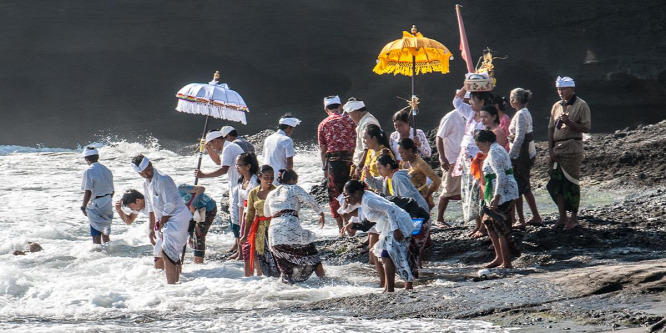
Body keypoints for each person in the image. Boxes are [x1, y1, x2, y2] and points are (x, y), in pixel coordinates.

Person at [342, 180, 417, 292]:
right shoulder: (364, 198)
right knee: (388, 255)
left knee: (391, 254)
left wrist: (396, 229)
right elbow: (348, 211)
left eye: (348, 195)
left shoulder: (368, 200)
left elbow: (390, 209)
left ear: (357, 192)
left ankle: (392, 288)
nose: (348, 199)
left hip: (397, 223)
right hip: (390, 225)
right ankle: (391, 287)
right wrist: (353, 224)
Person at [131, 155, 192, 284]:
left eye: (148, 169)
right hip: (164, 221)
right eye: (142, 173)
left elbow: (170, 205)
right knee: (167, 253)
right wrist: (151, 229)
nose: (146, 173)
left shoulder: (163, 179)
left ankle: (172, 286)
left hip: (177, 218)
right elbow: (151, 208)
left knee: (168, 253)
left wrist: (161, 222)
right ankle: (176, 284)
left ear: (151, 164)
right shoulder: (146, 183)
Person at [265, 169, 326, 284]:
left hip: (274, 233)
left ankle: (286, 289)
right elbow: (309, 200)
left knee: (284, 266)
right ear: (293, 180)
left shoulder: (271, 193)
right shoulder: (293, 188)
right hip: (290, 227)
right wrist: (320, 212)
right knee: (312, 253)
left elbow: (267, 213)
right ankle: (324, 280)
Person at [547, 76, 591, 231]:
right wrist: (550, 149)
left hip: (572, 147)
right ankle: (562, 216)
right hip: (557, 148)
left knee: (571, 182)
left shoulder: (581, 105)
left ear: (572, 89)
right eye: (559, 89)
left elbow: (585, 128)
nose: (561, 92)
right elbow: (551, 128)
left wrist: (568, 122)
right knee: (556, 183)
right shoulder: (556, 106)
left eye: (564, 89)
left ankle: (573, 217)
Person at [474, 130, 520, 269]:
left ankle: (506, 262)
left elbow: (501, 175)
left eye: (479, 144)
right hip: (495, 190)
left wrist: (497, 196)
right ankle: (499, 257)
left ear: (486, 142)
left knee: (500, 226)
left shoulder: (495, 152)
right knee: (488, 222)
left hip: (504, 193)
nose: (479, 147)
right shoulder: (494, 150)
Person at [195, 129, 244, 257]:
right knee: (235, 217)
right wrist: (207, 147)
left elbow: (223, 169)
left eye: (212, 145)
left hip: (239, 186)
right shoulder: (227, 147)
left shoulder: (229, 148)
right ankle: (238, 247)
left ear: (216, 140)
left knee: (237, 218)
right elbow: (218, 161)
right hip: (235, 185)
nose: (213, 148)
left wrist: (203, 175)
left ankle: (240, 252)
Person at [453, 87, 493, 238]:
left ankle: (484, 226)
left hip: (479, 157)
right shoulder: (470, 112)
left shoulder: (486, 117)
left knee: (480, 191)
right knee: (471, 191)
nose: (470, 103)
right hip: (467, 157)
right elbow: (456, 101)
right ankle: (477, 225)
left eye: (473, 100)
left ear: (482, 102)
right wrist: (466, 86)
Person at [317, 95, 357, 232]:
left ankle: (341, 229)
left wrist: (324, 168)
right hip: (352, 162)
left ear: (325, 109)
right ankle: (353, 226)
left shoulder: (323, 124)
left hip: (334, 164)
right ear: (340, 106)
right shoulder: (351, 120)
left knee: (335, 196)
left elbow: (323, 150)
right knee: (354, 192)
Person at [508, 88, 543, 228]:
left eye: (511, 98)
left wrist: (510, 156)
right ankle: (533, 216)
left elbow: (520, 137)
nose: (510, 100)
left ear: (515, 100)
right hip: (525, 153)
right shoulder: (524, 113)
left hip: (521, 156)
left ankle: (522, 219)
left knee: (520, 187)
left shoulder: (521, 114)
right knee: (524, 187)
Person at [240, 165, 279, 277]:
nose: (269, 180)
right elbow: (250, 215)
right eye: (266, 177)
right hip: (259, 229)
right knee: (260, 255)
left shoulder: (276, 191)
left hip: (274, 228)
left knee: (275, 256)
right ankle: (263, 281)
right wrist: (244, 235)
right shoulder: (253, 193)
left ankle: (277, 280)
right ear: (260, 177)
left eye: (271, 177)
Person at [435, 99, 466, 227]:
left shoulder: (471, 115)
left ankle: (468, 217)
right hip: (452, 159)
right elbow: (439, 137)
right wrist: (442, 157)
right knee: (447, 191)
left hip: (466, 158)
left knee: (466, 190)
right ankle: (439, 218)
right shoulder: (451, 117)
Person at [80, 146, 114, 244]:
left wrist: (83, 206)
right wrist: (106, 201)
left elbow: (88, 191)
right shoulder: (107, 170)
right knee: (106, 232)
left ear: (86, 158)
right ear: (98, 156)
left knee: (96, 234)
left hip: (96, 204)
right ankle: (109, 252)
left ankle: (98, 254)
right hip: (107, 202)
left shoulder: (89, 171)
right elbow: (112, 191)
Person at [178, 184, 217, 264]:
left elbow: (201, 189)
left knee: (199, 234)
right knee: (192, 234)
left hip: (207, 207)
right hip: (196, 211)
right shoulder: (171, 201)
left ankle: (199, 262)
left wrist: (193, 204)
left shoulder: (181, 188)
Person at [398, 138, 441, 210]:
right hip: (410, 198)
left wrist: (427, 196)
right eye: (399, 153)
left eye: (402, 153)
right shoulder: (403, 163)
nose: (400, 155)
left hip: (422, 197)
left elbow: (437, 180)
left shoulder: (420, 164)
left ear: (410, 151)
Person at [343, 97, 380, 179]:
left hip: (365, 165)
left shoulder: (367, 123)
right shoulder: (363, 121)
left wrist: (359, 166)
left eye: (350, 114)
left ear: (356, 112)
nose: (349, 117)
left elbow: (367, 149)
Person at [235, 153, 260, 269]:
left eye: (239, 165)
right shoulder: (240, 181)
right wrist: (241, 223)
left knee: (253, 246)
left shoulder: (256, 182)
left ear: (248, 166)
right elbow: (240, 204)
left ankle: (259, 273)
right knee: (245, 246)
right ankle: (249, 276)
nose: (236, 167)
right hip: (245, 214)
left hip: (255, 216)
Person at [262, 114, 300, 185]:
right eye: (292, 129)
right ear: (289, 127)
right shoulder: (287, 140)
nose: (292, 131)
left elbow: (264, 157)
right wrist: (289, 179)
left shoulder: (268, 138)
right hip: (280, 177)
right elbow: (289, 162)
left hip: (266, 177)